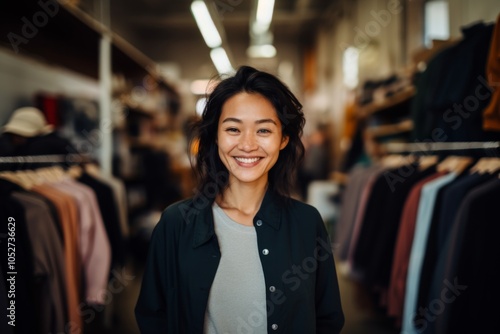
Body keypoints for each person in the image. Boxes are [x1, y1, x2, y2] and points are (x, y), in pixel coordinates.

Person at [134, 66, 345, 333]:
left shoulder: (306, 222)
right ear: (215, 137)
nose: (247, 145)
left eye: (264, 131)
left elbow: (328, 319)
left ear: (284, 139)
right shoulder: (176, 223)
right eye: (233, 129)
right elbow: (153, 317)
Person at [0, 106, 78, 157]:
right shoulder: (6, 147)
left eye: (21, 136)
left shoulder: (45, 146)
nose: (16, 138)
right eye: (14, 134)